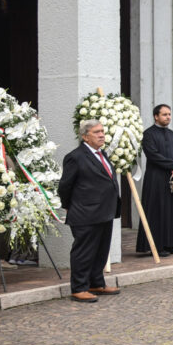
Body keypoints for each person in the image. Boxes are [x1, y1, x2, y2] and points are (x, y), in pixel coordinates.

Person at [58, 119, 122, 303]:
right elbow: (65, 186)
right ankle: (79, 287)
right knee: (84, 251)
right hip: (85, 212)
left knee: (101, 250)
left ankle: (96, 283)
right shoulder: (75, 156)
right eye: (96, 132)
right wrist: (70, 205)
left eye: (102, 131)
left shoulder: (102, 154)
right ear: (85, 136)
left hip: (105, 211)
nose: (102, 134)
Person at [138, 104, 173, 256]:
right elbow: (152, 154)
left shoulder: (171, 134)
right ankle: (157, 246)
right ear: (156, 116)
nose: (168, 117)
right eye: (164, 114)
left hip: (172, 177)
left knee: (172, 210)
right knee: (157, 210)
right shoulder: (148, 134)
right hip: (156, 178)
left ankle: (170, 243)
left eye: (169, 114)